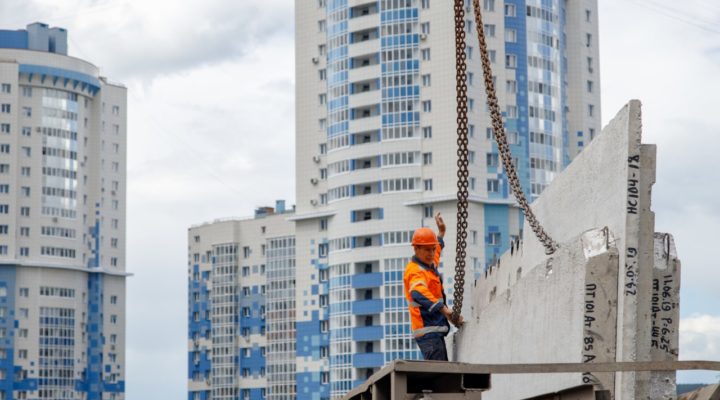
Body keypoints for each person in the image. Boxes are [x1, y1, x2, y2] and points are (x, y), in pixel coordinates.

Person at [403, 213, 464, 361]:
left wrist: (441, 233)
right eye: (427, 250)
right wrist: (444, 310)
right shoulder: (415, 271)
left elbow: (436, 253)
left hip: (434, 332)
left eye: (432, 249)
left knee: (441, 372)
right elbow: (418, 291)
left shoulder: (427, 265)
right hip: (428, 333)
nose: (431, 253)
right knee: (440, 374)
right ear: (416, 249)